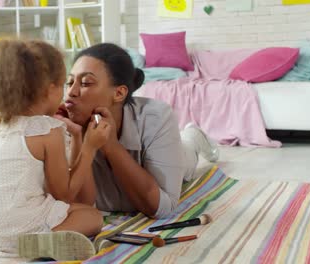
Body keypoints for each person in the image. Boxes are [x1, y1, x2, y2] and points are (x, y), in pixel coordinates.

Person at [0, 38, 111, 257]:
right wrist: (90, 147)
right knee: (92, 216)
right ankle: (41, 241)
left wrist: (77, 136)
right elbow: (64, 195)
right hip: (16, 229)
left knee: (20, 197)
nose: (66, 93)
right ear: (48, 89)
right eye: (63, 84)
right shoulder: (47, 129)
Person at [55, 43, 219, 219]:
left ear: (119, 93)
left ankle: (193, 136)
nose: (71, 92)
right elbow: (79, 206)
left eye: (86, 82)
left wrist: (111, 146)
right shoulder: (62, 126)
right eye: (69, 82)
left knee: (186, 155)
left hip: (179, 156)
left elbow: (164, 207)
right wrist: (77, 139)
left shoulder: (155, 117)